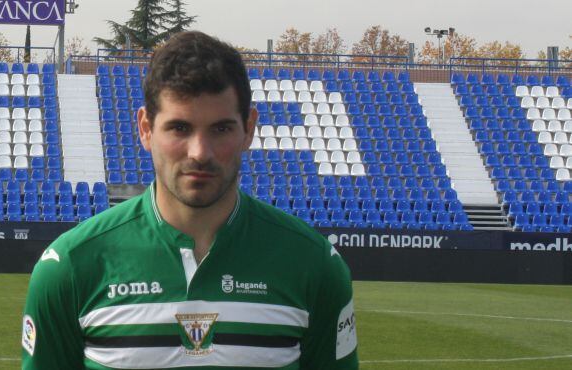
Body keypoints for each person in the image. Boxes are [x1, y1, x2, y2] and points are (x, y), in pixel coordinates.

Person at [22, 31, 358, 369]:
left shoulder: (314, 266)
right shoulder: (71, 267)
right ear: (145, 129)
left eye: (221, 129)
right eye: (180, 128)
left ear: (249, 128)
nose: (200, 153)